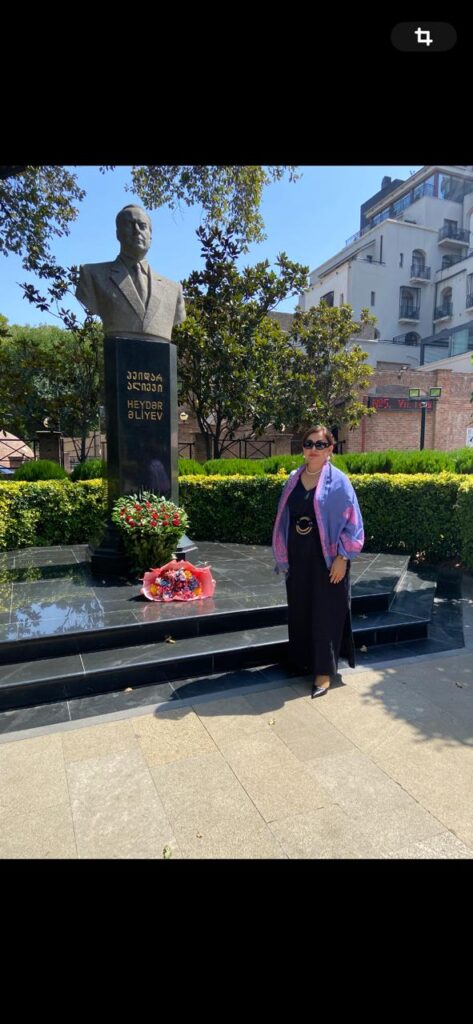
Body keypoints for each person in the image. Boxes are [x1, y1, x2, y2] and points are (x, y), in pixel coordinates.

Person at [272, 425, 364, 698]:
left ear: (330, 449)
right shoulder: (293, 479)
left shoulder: (339, 482)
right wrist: (283, 554)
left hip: (328, 558)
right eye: (308, 444)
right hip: (298, 556)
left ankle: (323, 672)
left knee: (326, 613)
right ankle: (302, 661)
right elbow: (284, 518)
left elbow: (354, 523)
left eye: (320, 444)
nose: (313, 449)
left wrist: (343, 558)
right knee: (300, 609)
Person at [76, 205, 186, 341]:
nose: (137, 231)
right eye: (130, 225)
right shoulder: (92, 275)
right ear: (118, 234)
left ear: (151, 236)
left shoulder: (173, 290)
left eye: (142, 226)